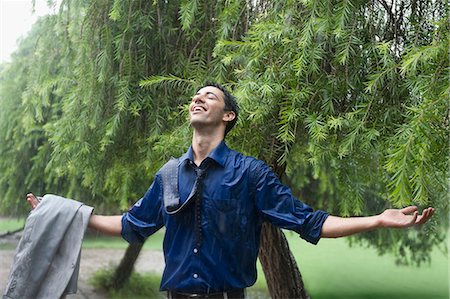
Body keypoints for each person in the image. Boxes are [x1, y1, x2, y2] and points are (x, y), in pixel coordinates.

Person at [27, 83, 435, 299]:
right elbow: (133, 224)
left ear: (228, 115)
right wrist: (65, 212)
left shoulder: (251, 174)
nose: (197, 99)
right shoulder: (169, 174)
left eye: (209, 96)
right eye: (195, 96)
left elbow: (310, 223)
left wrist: (379, 219)